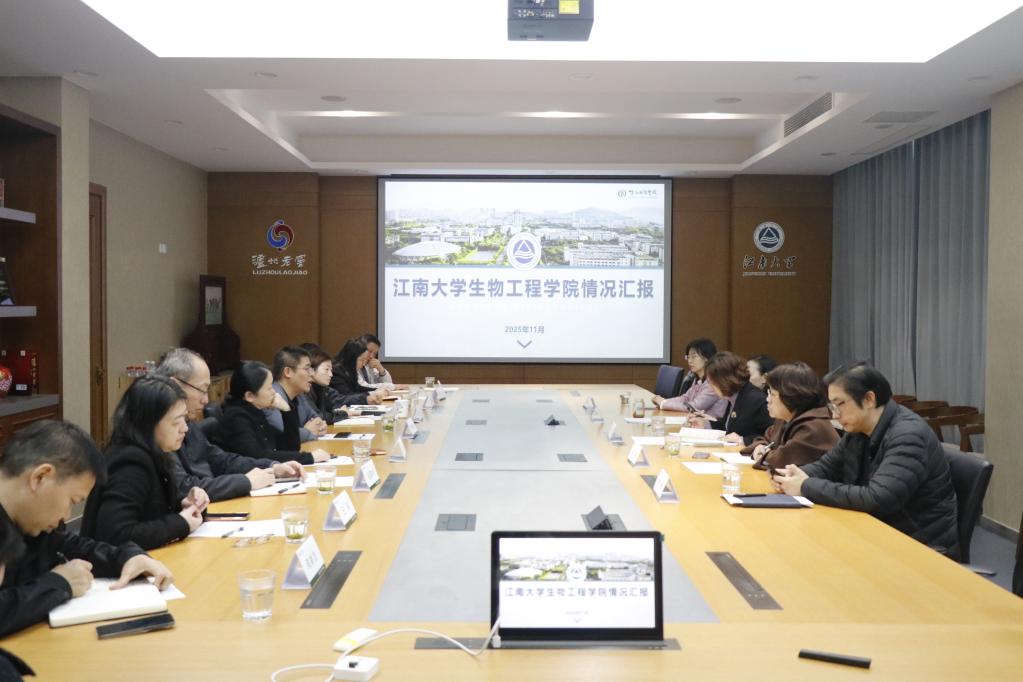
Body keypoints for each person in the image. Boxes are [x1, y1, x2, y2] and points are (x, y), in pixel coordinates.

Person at [0, 420, 173, 638]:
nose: (66, 516)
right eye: (72, 501)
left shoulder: (26, 521)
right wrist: (58, 584)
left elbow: (67, 546)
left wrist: (127, 557)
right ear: (40, 477)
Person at [773, 363, 960, 557]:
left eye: (840, 404)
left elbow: (877, 499)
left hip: (916, 546)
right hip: (877, 532)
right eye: (832, 406)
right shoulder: (859, 430)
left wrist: (805, 486)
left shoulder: (908, 435)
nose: (835, 414)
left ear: (869, 399)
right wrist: (793, 476)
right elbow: (827, 466)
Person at [156, 348, 303, 501]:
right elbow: (184, 488)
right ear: (175, 385)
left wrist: (272, 467)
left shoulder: (188, 423)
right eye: (201, 390)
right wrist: (246, 481)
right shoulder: (157, 429)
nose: (206, 400)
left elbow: (221, 460)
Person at [81, 376, 209, 551]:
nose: (185, 428)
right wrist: (181, 522)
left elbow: (153, 511)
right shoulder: (130, 462)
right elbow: (117, 534)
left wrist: (185, 504)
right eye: (176, 421)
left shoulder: (155, 451)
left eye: (184, 419)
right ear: (149, 423)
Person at [218, 361, 329, 465]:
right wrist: (309, 457)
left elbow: (290, 447)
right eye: (269, 388)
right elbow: (259, 456)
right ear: (250, 396)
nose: (274, 392)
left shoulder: (256, 411)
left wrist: (286, 410)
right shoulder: (236, 418)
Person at [740, 362, 839, 468]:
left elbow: (781, 460)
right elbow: (766, 439)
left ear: (790, 396)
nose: (768, 399)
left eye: (772, 394)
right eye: (768, 393)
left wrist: (763, 455)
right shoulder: (784, 418)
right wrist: (760, 446)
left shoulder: (813, 426)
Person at [705, 351, 774, 445]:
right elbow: (729, 427)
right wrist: (705, 423)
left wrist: (743, 440)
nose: (711, 387)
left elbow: (773, 436)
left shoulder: (756, 399)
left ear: (724, 380)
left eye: (712, 382)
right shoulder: (734, 395)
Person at [651, 338, 728, 419]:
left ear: (707, 358)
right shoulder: (698, 378)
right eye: (688, 357)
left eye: (694, 357)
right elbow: (685, 398)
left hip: (711, 425)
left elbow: (695, 406)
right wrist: (663, 401)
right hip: (697, 421)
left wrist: (664, 404)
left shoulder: (714, 381)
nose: (690, 361)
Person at [264, 346, 328, 442]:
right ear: (288, 372)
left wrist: (320, 426)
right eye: (307, 369)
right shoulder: (272, 397)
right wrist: (308, 431)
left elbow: (316, 417)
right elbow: (281, 433)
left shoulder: (299, 394)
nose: (311, 374)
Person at [299, 345, 351, 424]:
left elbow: (327, 411)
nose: (331, 374)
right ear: (312, 370)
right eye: (326, 369)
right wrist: (343, 413)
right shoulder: (304, 390)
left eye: (331, 370)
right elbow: (318, 417)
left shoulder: (320, 387)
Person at [331, 338, 387, 406]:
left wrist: (376, 390)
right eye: (362, 360)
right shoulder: (336, 372)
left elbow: (357, 388)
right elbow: (348, 395)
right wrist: (370, 396)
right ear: (352, 358)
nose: (363, 364)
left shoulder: (350, 369)